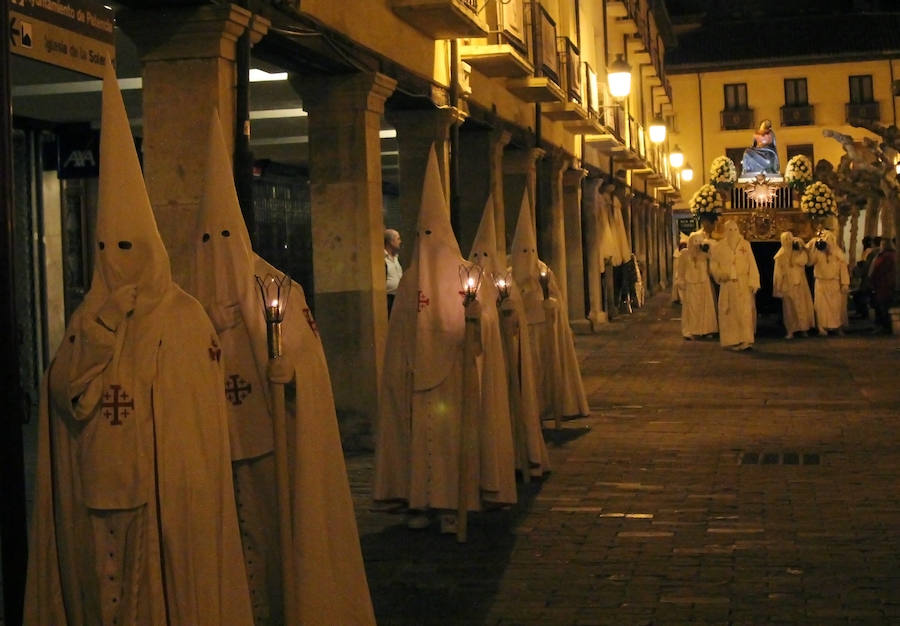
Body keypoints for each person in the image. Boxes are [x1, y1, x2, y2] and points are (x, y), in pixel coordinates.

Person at [25, 64, 253, 625]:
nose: (116, 257)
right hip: (99, 493)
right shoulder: (88, 316)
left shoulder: (183, 316)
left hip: (163, 498)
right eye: (106, 245)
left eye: (128, 245)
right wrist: (101, 332)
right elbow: (63, 395)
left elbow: (196, 420)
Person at [191, 112, 375, 624]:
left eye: (223, 236)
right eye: (205, 239)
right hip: (212, 451)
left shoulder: (278, 290)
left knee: (277, 543)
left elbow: (312, 366)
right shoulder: (182, 302)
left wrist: (290, 371)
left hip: (273, 443)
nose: (215, 252)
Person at [375, 146, 517, 534]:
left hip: (456, 374)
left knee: (456, 440)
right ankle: (421, 499)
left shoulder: (468, 274)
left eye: (430, 233)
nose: (425, 241)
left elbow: (486, 320)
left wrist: (477, 320)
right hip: (417, 376)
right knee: (422, 441)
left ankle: (459, 498)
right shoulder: (409, 281)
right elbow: (400, 330)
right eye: (420, 234)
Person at [710, 220, 760, 350]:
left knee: (744, 312)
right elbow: (714, 264)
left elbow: (752, 264)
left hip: (742, 284)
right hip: (728, 285)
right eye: (730, 230)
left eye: (735, 229)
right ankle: (732, 339)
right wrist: (721, 274)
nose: (733, 233)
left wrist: (754, 281)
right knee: (729, 312)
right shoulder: (719, 247)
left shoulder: (745, 245)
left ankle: (745, 340)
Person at [806, 229, 850, 336]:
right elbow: (809, 262)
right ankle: (821, 327)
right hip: (821, 282)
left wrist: (845, 283)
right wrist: (812, 246)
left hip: (834, 283)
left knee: (836, 306)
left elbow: (843, 269)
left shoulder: (838, 253)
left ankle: (837, 327)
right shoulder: (817, 253)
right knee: (821, 307)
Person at [773, 231, 815, 339]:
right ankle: (791, 330)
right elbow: (778, 274)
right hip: (788, 284)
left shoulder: (798, 251)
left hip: (800, 283)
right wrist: (778, 288)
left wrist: (802, 249)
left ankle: (803, 328)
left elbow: (805, 261)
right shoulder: (780, 256)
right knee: (789, 309)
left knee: (802, 306)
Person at [676, 232, 718, 340]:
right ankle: (691, 330)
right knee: (691, 308)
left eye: (699, 242)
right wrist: (680, 281)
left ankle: (706, 330)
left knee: (705, 308)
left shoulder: (705, 255)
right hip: (690, 284)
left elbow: (713, 264)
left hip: (703, 283)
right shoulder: (685, 255)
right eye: (695, 241)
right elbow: (680, 270)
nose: (697, 244)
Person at [869, 238, 896, 334]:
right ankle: (886, 326)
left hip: (883, 285)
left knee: (882, 306)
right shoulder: (892, 255)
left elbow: (878, 270)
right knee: (885, 306)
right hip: (888, 284)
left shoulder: (885, 256)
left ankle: (884, 327)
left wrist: (873, 280)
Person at [385, 228, 403, 314]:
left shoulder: (396, 258)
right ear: (391, 242)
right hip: (388, 300)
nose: (400, 241)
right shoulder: (382, 259)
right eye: (398, 239)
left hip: (399, 298)